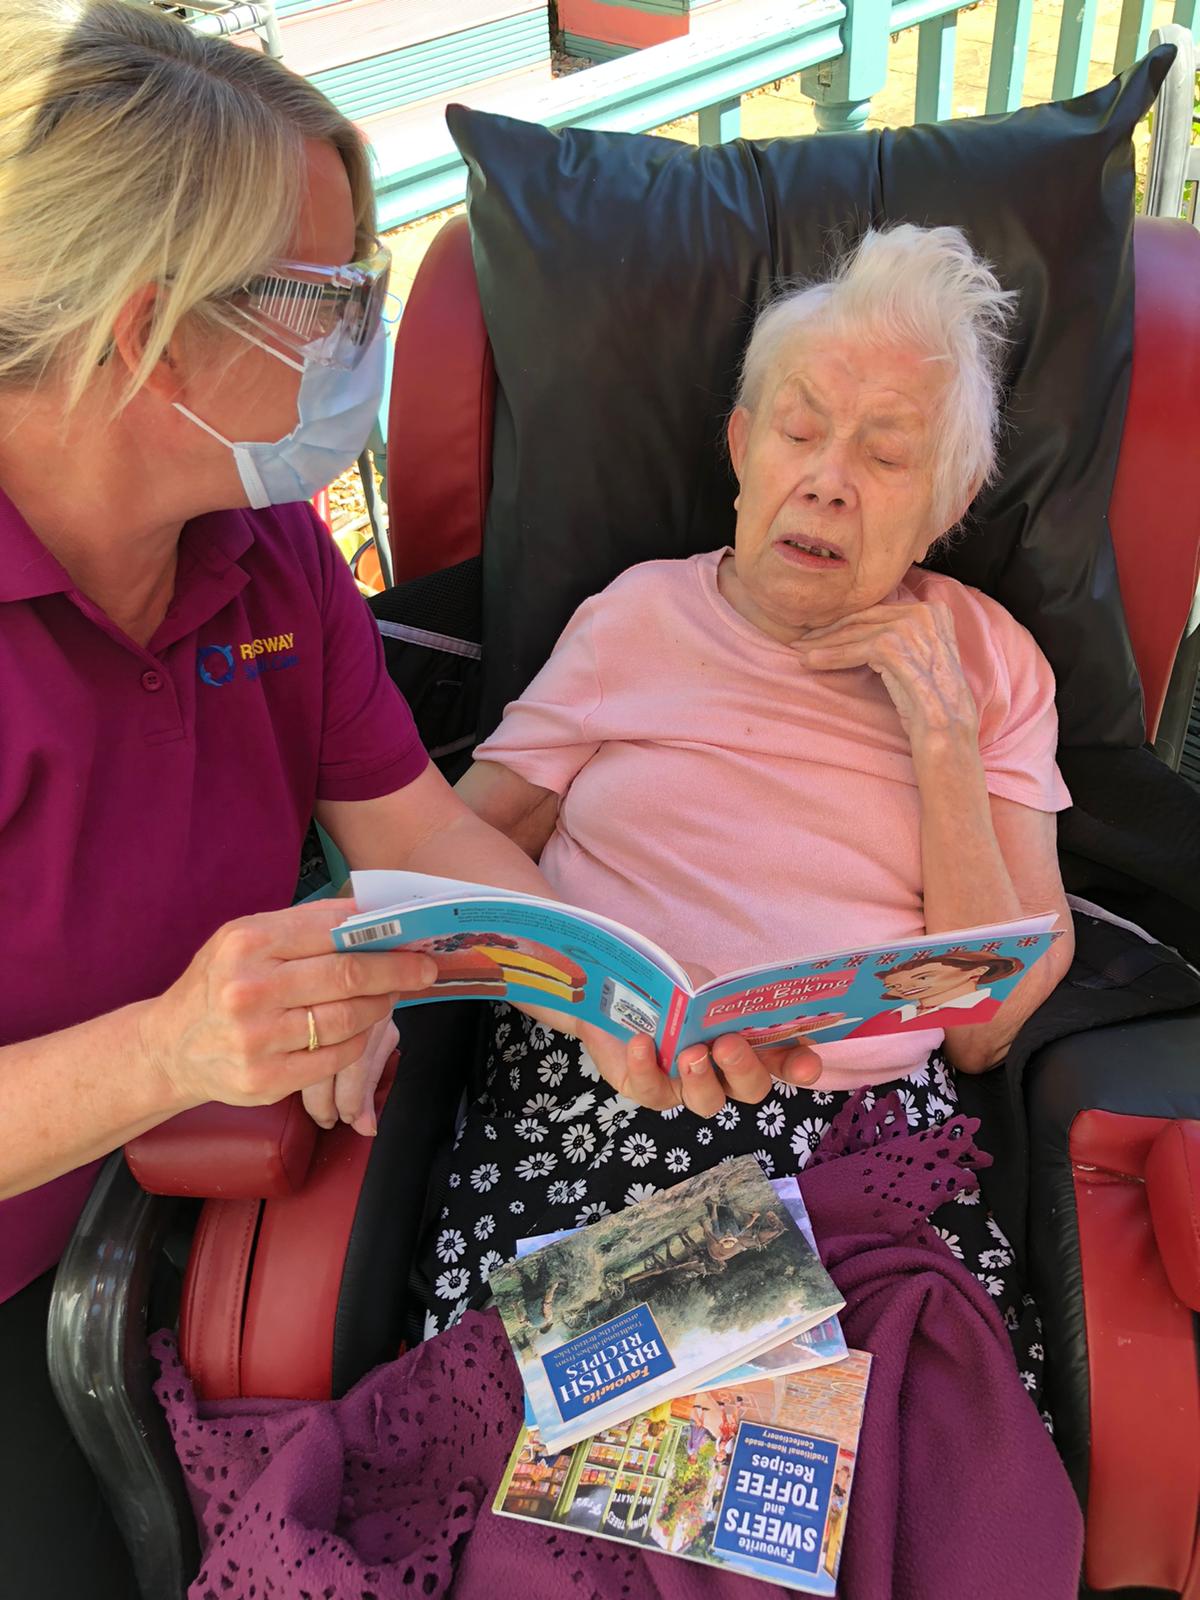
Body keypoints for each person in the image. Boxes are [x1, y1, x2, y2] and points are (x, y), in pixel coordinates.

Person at [0, 2, 729, 1590]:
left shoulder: (267, 550)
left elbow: (425, 831)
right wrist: (170, 1049)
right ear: (148, 329)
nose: (369, 333)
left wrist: (624, 992)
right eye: (335, 296)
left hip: (243, 1185)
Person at [418, 224, 1076, 1410]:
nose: (827, 480)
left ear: (945, 504)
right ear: (740, 446)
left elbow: (984, 1027)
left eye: (886, 454)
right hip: (602, 1103)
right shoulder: (634, 619)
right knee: (629, 1477)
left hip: (861, 1141)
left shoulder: (993, 664)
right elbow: (458, 846)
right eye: (800, 430)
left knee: (889, 1461)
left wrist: (942, 736)